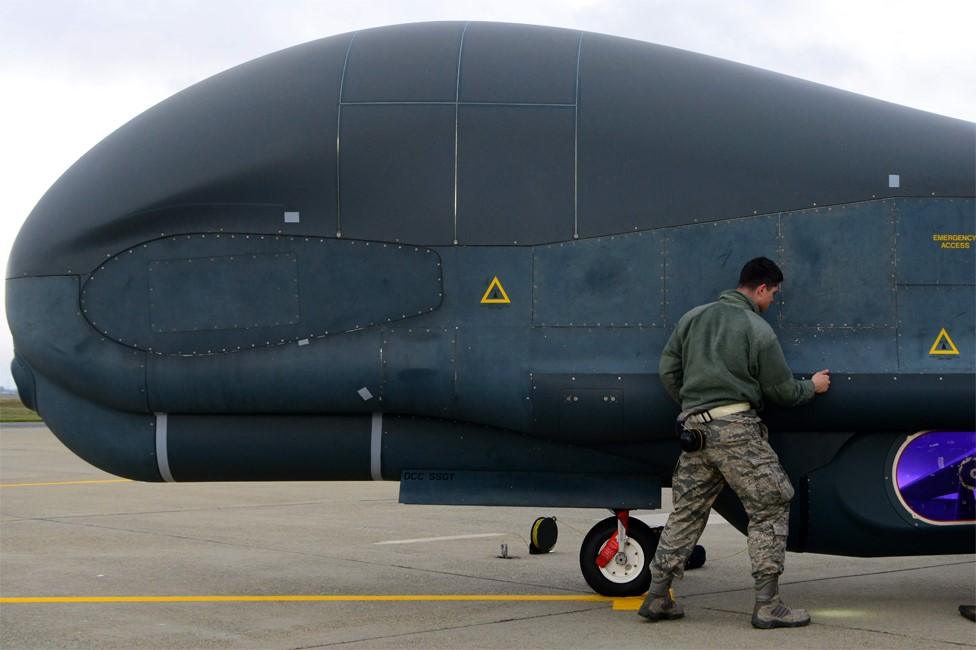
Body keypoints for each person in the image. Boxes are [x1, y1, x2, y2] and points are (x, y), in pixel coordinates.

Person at [638, 257, 831, 629]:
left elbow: (668, 370)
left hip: (694, 431)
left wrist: (696, 404)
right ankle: (768, 605)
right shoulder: (756, 329)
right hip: (737, 430)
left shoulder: (692, 318)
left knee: (687, 512)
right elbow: (782, 391)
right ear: (760, 289)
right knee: (772, 502)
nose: (773, 301)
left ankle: (658, 596)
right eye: (773, 294)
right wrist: (814, 387)